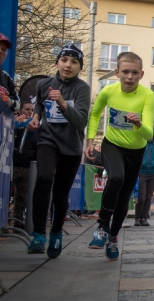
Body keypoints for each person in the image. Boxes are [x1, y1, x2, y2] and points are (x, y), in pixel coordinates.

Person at [85, 52, 154, 261]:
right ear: (117, 72)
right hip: (112, 144)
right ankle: (102, 227)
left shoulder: (147, 95)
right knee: (116, 178)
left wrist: (139, 124)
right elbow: (95, 113)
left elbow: (149, 134)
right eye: (125, 72)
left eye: (134, 72)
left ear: (141, 74)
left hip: (136, 150)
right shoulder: (108, 91)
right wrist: (90, 141)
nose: (129, 77)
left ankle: (113, 238)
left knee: (124, 197)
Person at [26, 44, 90, 258]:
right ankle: (37, 234)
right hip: (48, 140)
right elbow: (40, 107)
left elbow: (81, 121)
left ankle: (55, 233)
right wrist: (35, 118)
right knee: (44, 178)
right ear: (57, 63)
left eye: (73, 62)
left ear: (79, 67)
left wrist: (62, 102)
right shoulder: (43, 84)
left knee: (61, 194)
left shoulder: (82, 88)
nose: (68, 65)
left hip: (71, 147)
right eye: (64, 60)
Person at [11, 103, 36, 228]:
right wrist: (15, 125)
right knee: (7, 194)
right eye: (27, 109)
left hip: (27, 167)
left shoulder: (34, 128)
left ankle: (17, 223)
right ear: (21, 111)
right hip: (11, 165)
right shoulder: (14, 125)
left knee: (21, 197)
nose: (30, 112)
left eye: (32, 110)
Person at [135, 131, 154, 227]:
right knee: (141, 197)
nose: (150, 137)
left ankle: (144, 218)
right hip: (142, 174)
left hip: (153, 174)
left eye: (151, 135)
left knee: (148, 197)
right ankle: (137, 218)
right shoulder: (141, 145)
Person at [0, 33, 19, 112]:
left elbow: (17, 106)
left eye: (3, 49)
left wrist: (8, 101)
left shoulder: (7, 78)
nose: (0, 51)